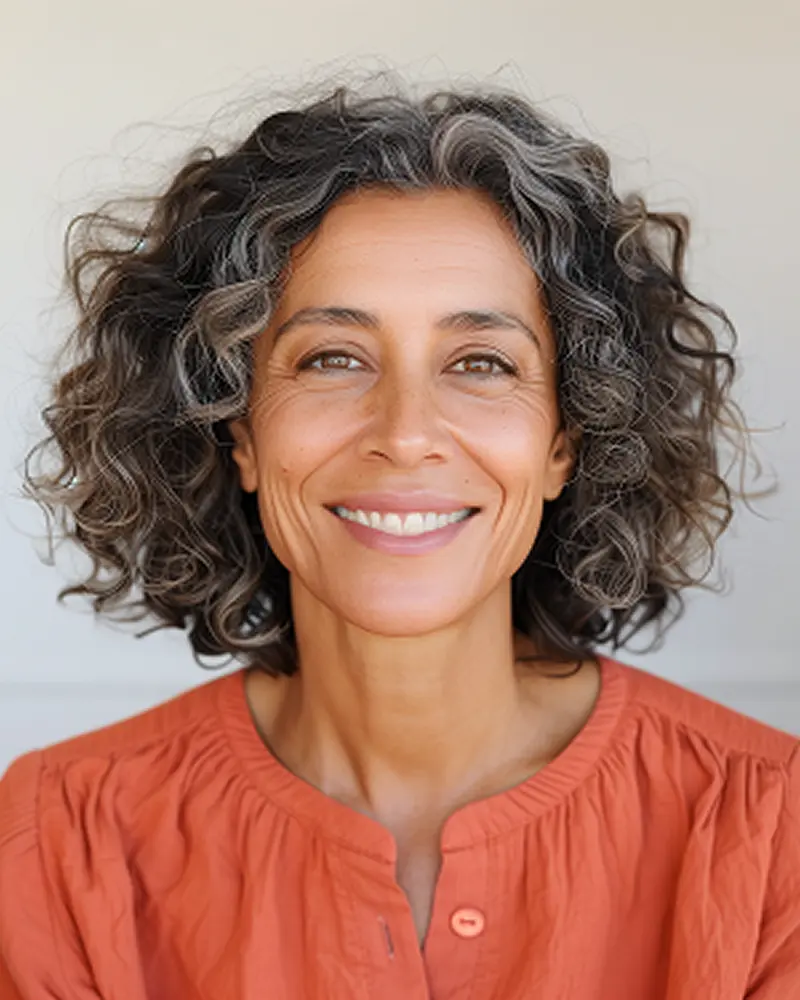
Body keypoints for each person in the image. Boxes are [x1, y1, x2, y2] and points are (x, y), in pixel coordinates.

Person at [0, 76, 797, 1000]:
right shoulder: (60, 843)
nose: (406, 430)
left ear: (565, 444)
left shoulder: (766, 830)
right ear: (241, 431)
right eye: (333, 358)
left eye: (481, 363)